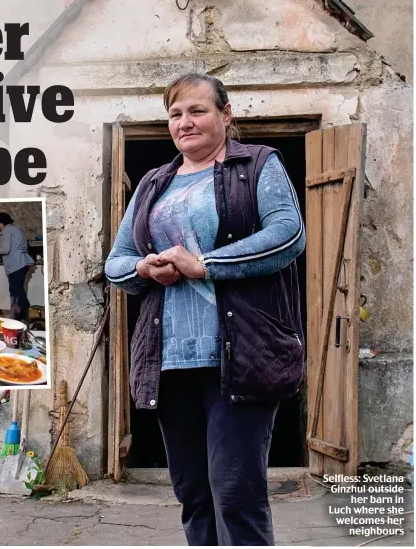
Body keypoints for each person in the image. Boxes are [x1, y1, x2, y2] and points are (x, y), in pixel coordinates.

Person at [105, 73, 306, 546]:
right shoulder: (155, 182)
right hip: (170, 358)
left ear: (225, 115)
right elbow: (115, 263)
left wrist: (204, 265)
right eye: (176, 114)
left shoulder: (258, 164)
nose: (185, 122)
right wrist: (146, 268)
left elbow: (287, 235)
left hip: (241, 354)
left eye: (197, 111)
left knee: (236, 493)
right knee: (193, 492)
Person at [0, 213, 34, 322]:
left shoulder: (7, 231)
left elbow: (5, 249)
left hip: (16, 265)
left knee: (15, 292)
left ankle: (18, 317)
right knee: (18, 291)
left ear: (1, 223)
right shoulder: (15, 229)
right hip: (21, 264)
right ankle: (23, 315)